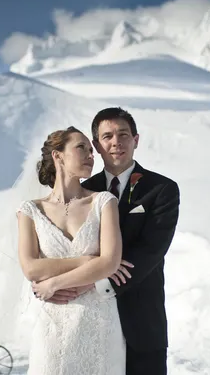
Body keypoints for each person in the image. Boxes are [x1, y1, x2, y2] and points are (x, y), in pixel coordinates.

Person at [42, 107, 181, 375]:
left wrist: (92, 282)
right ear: (96, 145)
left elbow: (151, 251)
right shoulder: (83, 191)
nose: (116, 142)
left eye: (123, 134)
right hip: (88, 323)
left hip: (141, 321)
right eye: (107, 136)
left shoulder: (162, 189)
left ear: (136, 140)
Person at [15, 126, 127, 374]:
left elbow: (109, 263)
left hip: (99, 321)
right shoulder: (30, 210)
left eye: (91, 150)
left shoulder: (104, 202)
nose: (91, 155)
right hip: (52, 323)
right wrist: (88, 260)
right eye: (81, 148)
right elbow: (31, 267)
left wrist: (53, 284)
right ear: (58, 155)